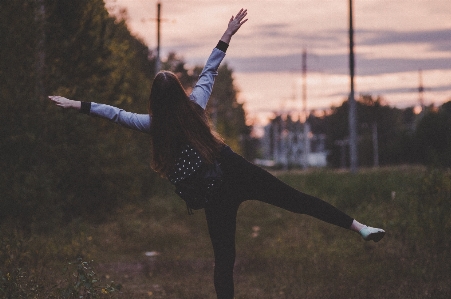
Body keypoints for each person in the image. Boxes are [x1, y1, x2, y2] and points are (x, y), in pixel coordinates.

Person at [49, 9, 385, 299]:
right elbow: (210, 69)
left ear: (155, 99)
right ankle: (360, 227)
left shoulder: (152, 125)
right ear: (180, 93)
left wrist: (76, 104)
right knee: (297, 200)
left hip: (211, 193)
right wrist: (227, 33)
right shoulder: (194, 107)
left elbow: (114, 113)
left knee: (224, 259)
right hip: (234, 170)